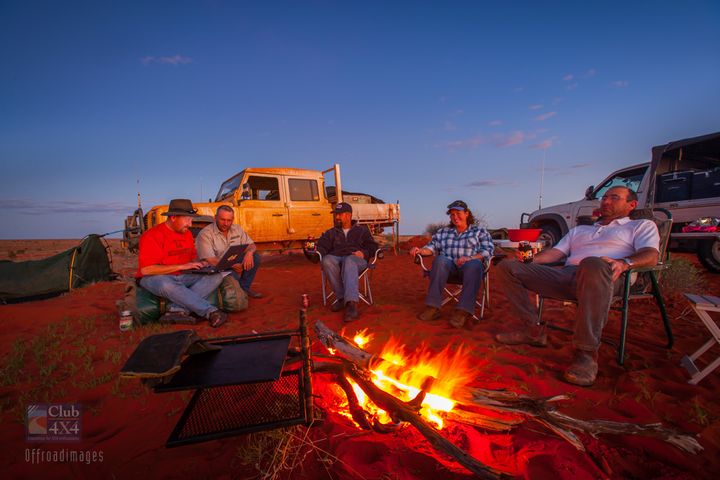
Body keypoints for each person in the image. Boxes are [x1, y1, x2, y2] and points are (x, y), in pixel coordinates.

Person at [494, 186, 660, 386]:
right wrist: (529, 260)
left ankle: (586, 354)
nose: (606, 201)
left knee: (592, 263)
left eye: (614, 198)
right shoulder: (580, 230)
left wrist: (625, 263)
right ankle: (531, 329)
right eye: (604, 197)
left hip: (607, 276)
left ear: (631, 205)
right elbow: (555, 254)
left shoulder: (640, 225)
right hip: (568, 276)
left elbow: (651, 255)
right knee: (507, 267)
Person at [135, 199, 228, 328]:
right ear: (173, 217)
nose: (190, 224)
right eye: (187, 219)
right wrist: (181, 266)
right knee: (166, 284)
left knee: (216, 276)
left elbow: (192, 259)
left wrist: (202, 264)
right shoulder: (151, 235)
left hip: (182, 275)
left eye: (191, 220)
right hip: (155, 278)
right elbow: (146, 270)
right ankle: (210, 312)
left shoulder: (187, 234)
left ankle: (176, 311)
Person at [409, 200, 494, 328]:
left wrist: (470, 258)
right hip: (448, 270)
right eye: (452, 214)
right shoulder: (443, 232)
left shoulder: (479, 231)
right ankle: (433, 307)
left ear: (467, 213)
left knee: (474, 264)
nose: (455, 217)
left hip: (471, 270)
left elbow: (488, 251)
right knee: (440, 260)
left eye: (458, 213)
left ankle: (463, 311)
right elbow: (431, 248)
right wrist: (419, 250)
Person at [316, 202, 379, 322]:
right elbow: (322, 247)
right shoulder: (331, 232)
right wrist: (313, 252)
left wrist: (364, 253)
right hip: (337, 259)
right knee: (327, 260)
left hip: (356, 260)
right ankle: (341, 298)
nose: (337, 217)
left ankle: (351, 304)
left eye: (339, 214)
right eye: (336, 215)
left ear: (349, 215)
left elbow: (373, 247)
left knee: (349, 260)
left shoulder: (362, 231)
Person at [196, 205, 263, 299]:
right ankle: (239, 289)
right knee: (233, 279)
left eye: (229, 220)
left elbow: (252, 245)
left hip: (231, 261)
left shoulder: (237, 229)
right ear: (215, 218)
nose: (226, 223)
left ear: (233, 219)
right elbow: (210, 260)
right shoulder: (205, 234)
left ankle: (244, 288)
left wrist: (249, 253)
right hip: (215, 266)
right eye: (222, 220)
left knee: (255, 257)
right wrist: (231, 266)